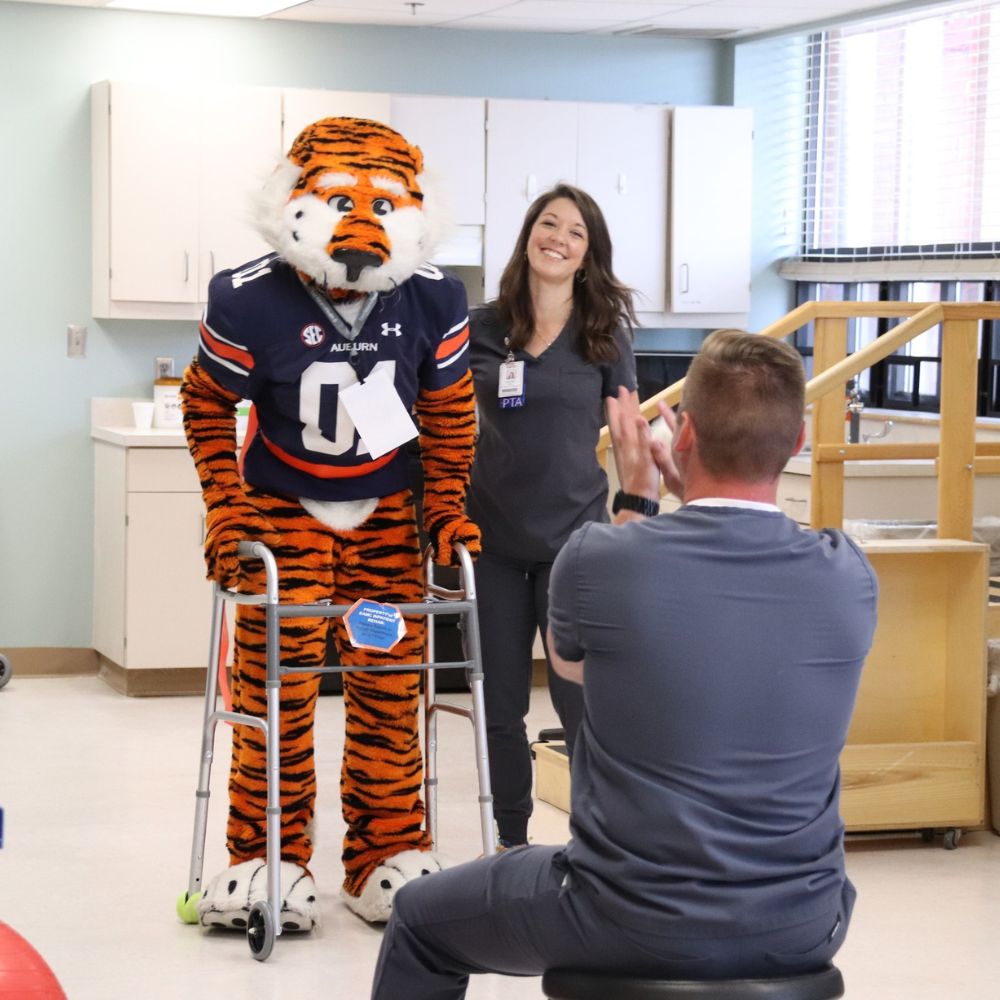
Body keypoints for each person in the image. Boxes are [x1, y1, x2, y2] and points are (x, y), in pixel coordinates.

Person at [370, 329, 879, 999]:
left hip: (623, 914)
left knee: (419, 918)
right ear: (799, 441)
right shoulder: (848, 575)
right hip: (804, 920)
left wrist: (639, 498)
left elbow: (575, 668)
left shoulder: (599, 560)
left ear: (684, 432)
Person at [466, 183, 637, 849]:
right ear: (528, 233)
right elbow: (442, 420)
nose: (558, 238)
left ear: (588, 255)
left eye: (575, 232)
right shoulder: (481, 328)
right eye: (548, 223)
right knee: (501, 707)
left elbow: (628, 436)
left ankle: (597, 841)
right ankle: (512, 842)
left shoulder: (604, 336)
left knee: (582, 705)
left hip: (577, 546)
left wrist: (633, 518)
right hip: (493, 544)